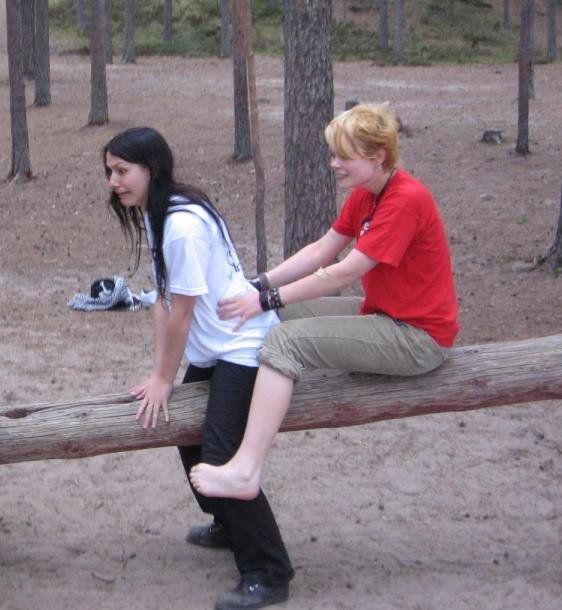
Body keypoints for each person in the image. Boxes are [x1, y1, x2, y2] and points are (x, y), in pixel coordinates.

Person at [189, 103, 460, 501]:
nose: (333, 164)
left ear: (378, 156)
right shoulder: (367, 194)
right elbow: (320, 251)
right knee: (280, 313)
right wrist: (258, 284)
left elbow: (342, 273)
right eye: (333, 154)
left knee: (285, 340)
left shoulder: (405, 199)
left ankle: (246, 470)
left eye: (343, 155)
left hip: (417, 337)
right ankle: (228, 406)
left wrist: (265, 299)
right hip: (382, 314)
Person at [103, 127, 293, 610]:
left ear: (151, 170)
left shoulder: (182, 225)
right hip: (215, 348)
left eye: (122, 171)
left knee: (222, 452)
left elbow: (181, 314)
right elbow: (164, 300)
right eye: (109, 172)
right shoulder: (160, 213)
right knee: (187, 437)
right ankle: (228, 522)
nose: (113, 182)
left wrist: (164, 378)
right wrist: (159, 374)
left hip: (244, 345)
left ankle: (269, 571)